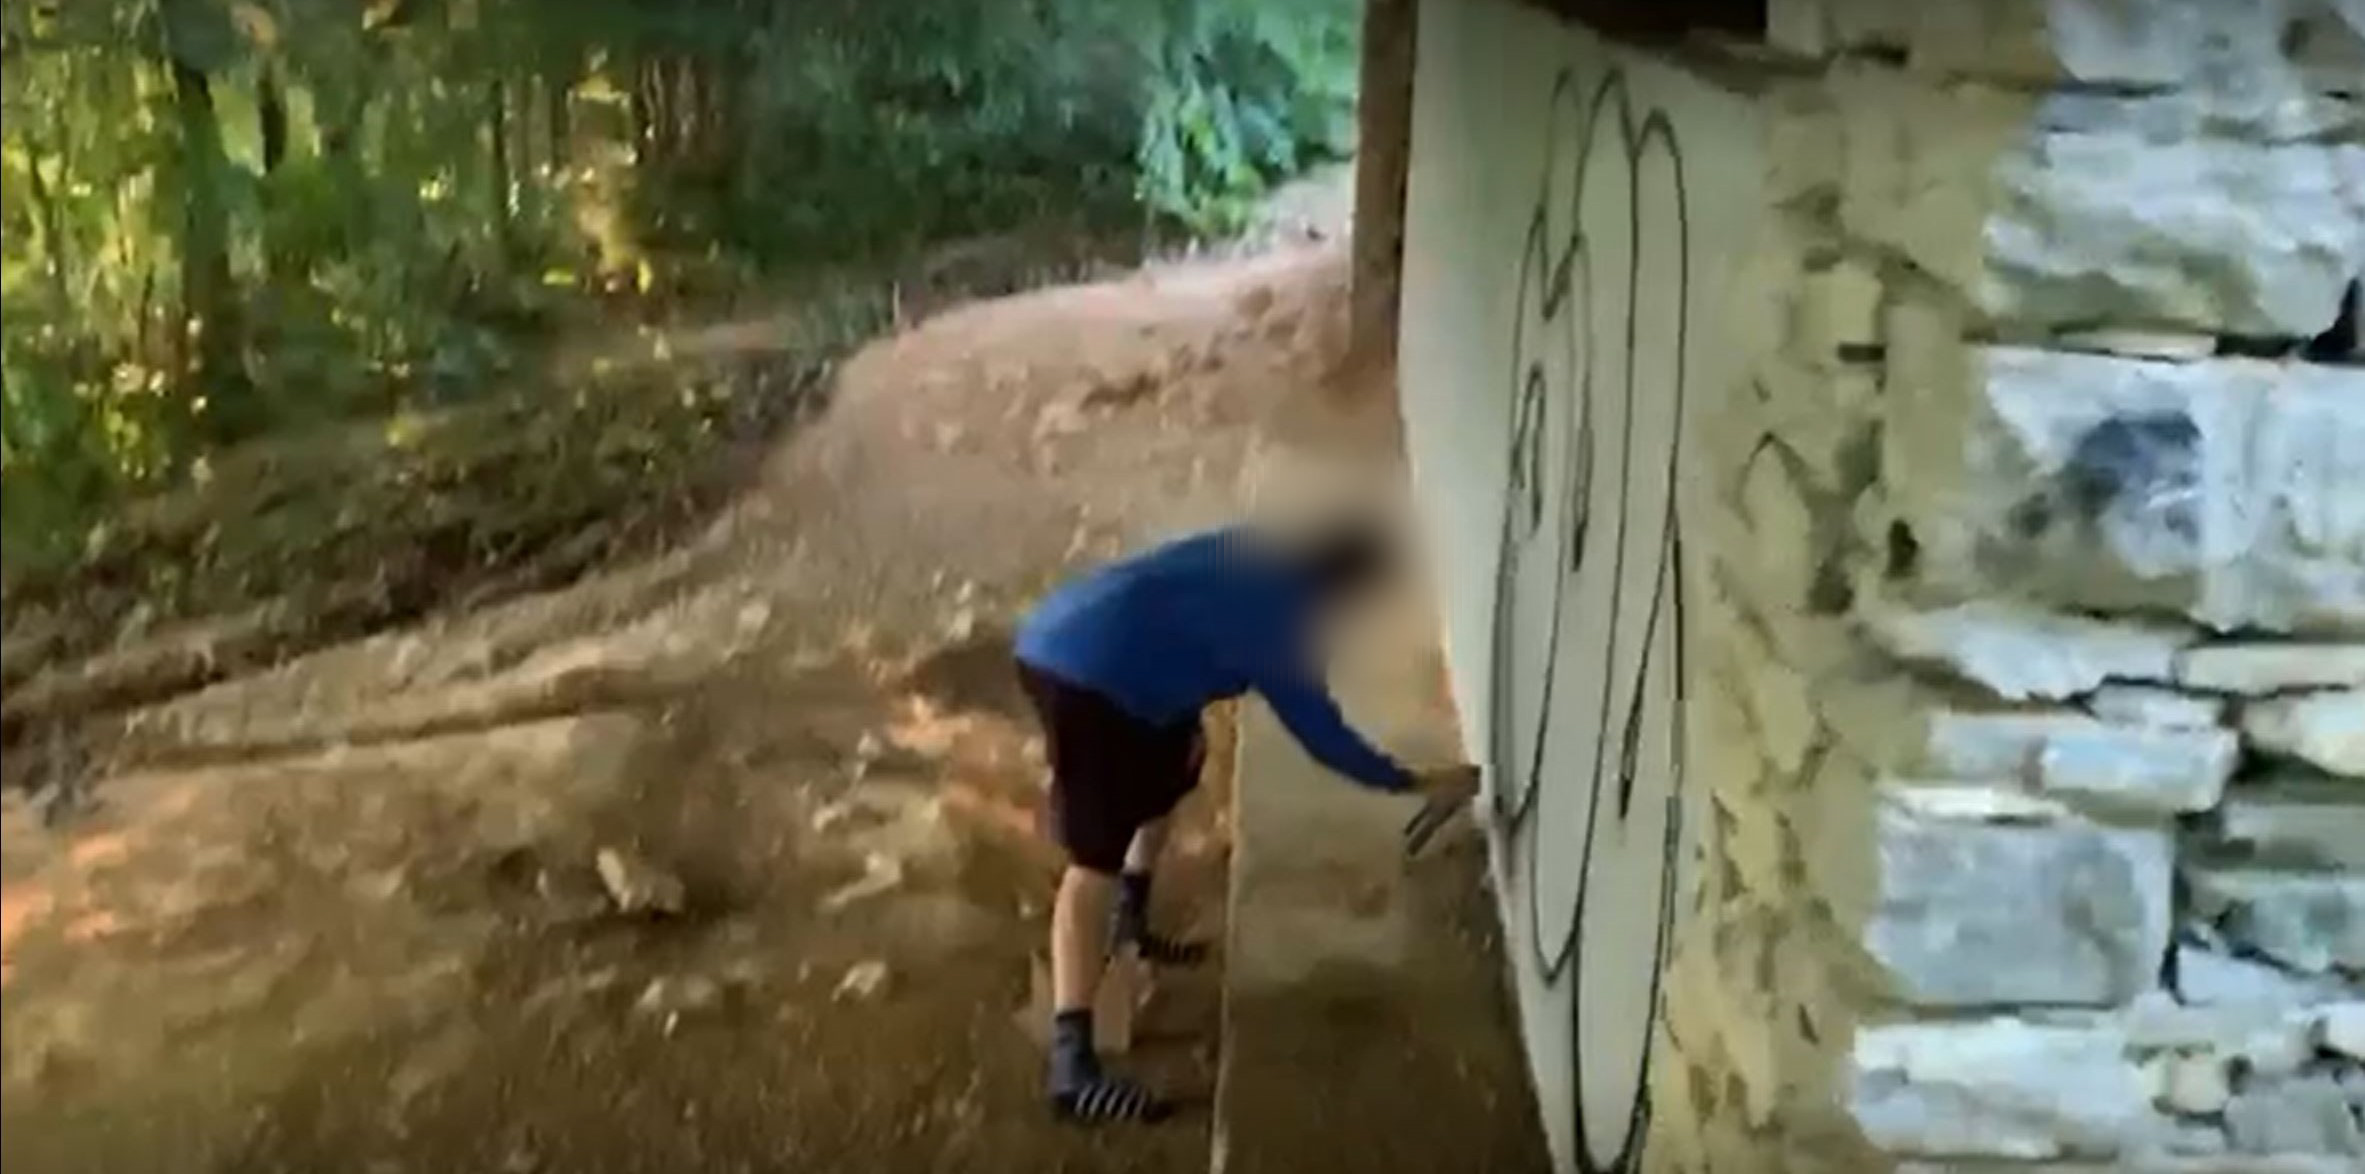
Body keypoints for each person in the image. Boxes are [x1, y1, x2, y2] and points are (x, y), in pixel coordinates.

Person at [1012, 516, 1481, 1124]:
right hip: (1085, 676)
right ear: (1347, 593)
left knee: (1177, 762)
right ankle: (1072, 1067)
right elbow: (1327, 740)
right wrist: (1416, 781)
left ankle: (1131, 919)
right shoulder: (1279, 633)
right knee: (1091, 860)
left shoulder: (1250, 550)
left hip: (1073, 632)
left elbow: (1176, 602)